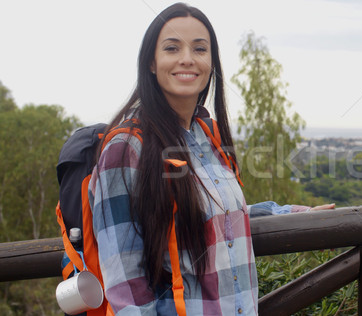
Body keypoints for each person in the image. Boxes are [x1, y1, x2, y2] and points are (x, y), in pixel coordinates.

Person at [89, 3, 333, 315]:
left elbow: (219, 220)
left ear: (211, 63)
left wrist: (295, 215)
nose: (187, 58)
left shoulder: (208, 135)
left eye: (200, 49)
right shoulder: (126, 149)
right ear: (151, 62)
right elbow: (126, 284)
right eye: (172, 47)